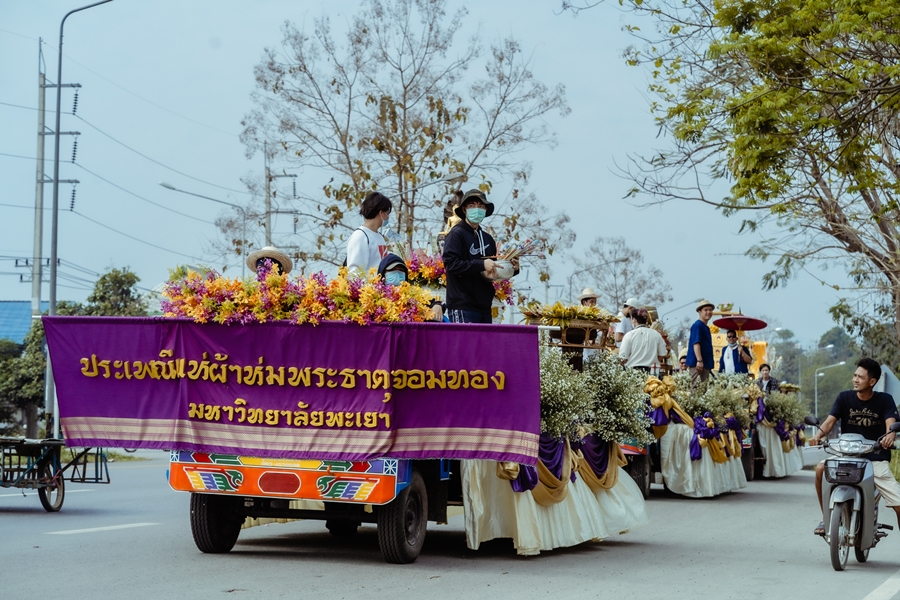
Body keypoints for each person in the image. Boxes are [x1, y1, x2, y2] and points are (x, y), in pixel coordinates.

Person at [809, 358, 900, 536]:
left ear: (872, 382)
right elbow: (829, 422)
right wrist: (818, 436)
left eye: (860, 377)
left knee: (899, 505)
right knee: (820, 469)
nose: (855, 379)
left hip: (875, 458)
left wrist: (890, 435)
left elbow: (891, 424)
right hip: (846, 456)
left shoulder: (885, 400)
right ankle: (826, 517)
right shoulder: (844, 397)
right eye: (855, 375)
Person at [442, 189, 517, 323]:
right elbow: (451, 264)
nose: (477, 209)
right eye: (472, 206)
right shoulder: (456, 234)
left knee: (484, 345)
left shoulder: (488, 239)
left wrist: (512, 268)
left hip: (484, 306)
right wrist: (481, 264)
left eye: (481, 206)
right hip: (462, 305)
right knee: (466, 344)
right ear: (464, 209)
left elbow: (491, 274)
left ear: (485, 210)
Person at [377, 254, 443, 322]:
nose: (397, 274)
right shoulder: (374, 297)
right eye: (392, 270)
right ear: (382, 275)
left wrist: (437, 305)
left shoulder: (412, 294)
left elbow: (430, 301)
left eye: (401, 270)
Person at [346, 191, 392, 274]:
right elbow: (355, 272)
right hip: (369, 286)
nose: (388, 217)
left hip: (382, 286)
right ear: (381, 213)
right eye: (387, 213)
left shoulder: (379, 237)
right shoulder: (360, 237)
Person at [685, 299, 714, 384]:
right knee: (696, 390)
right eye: (706, 310)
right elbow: (696, 343)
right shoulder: (698, 326)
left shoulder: (705, 327)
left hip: (704, 365)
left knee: (702, 391)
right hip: (698, 365)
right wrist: (699, 360)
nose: (708, 312)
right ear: (699, 311)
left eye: (710, 310)